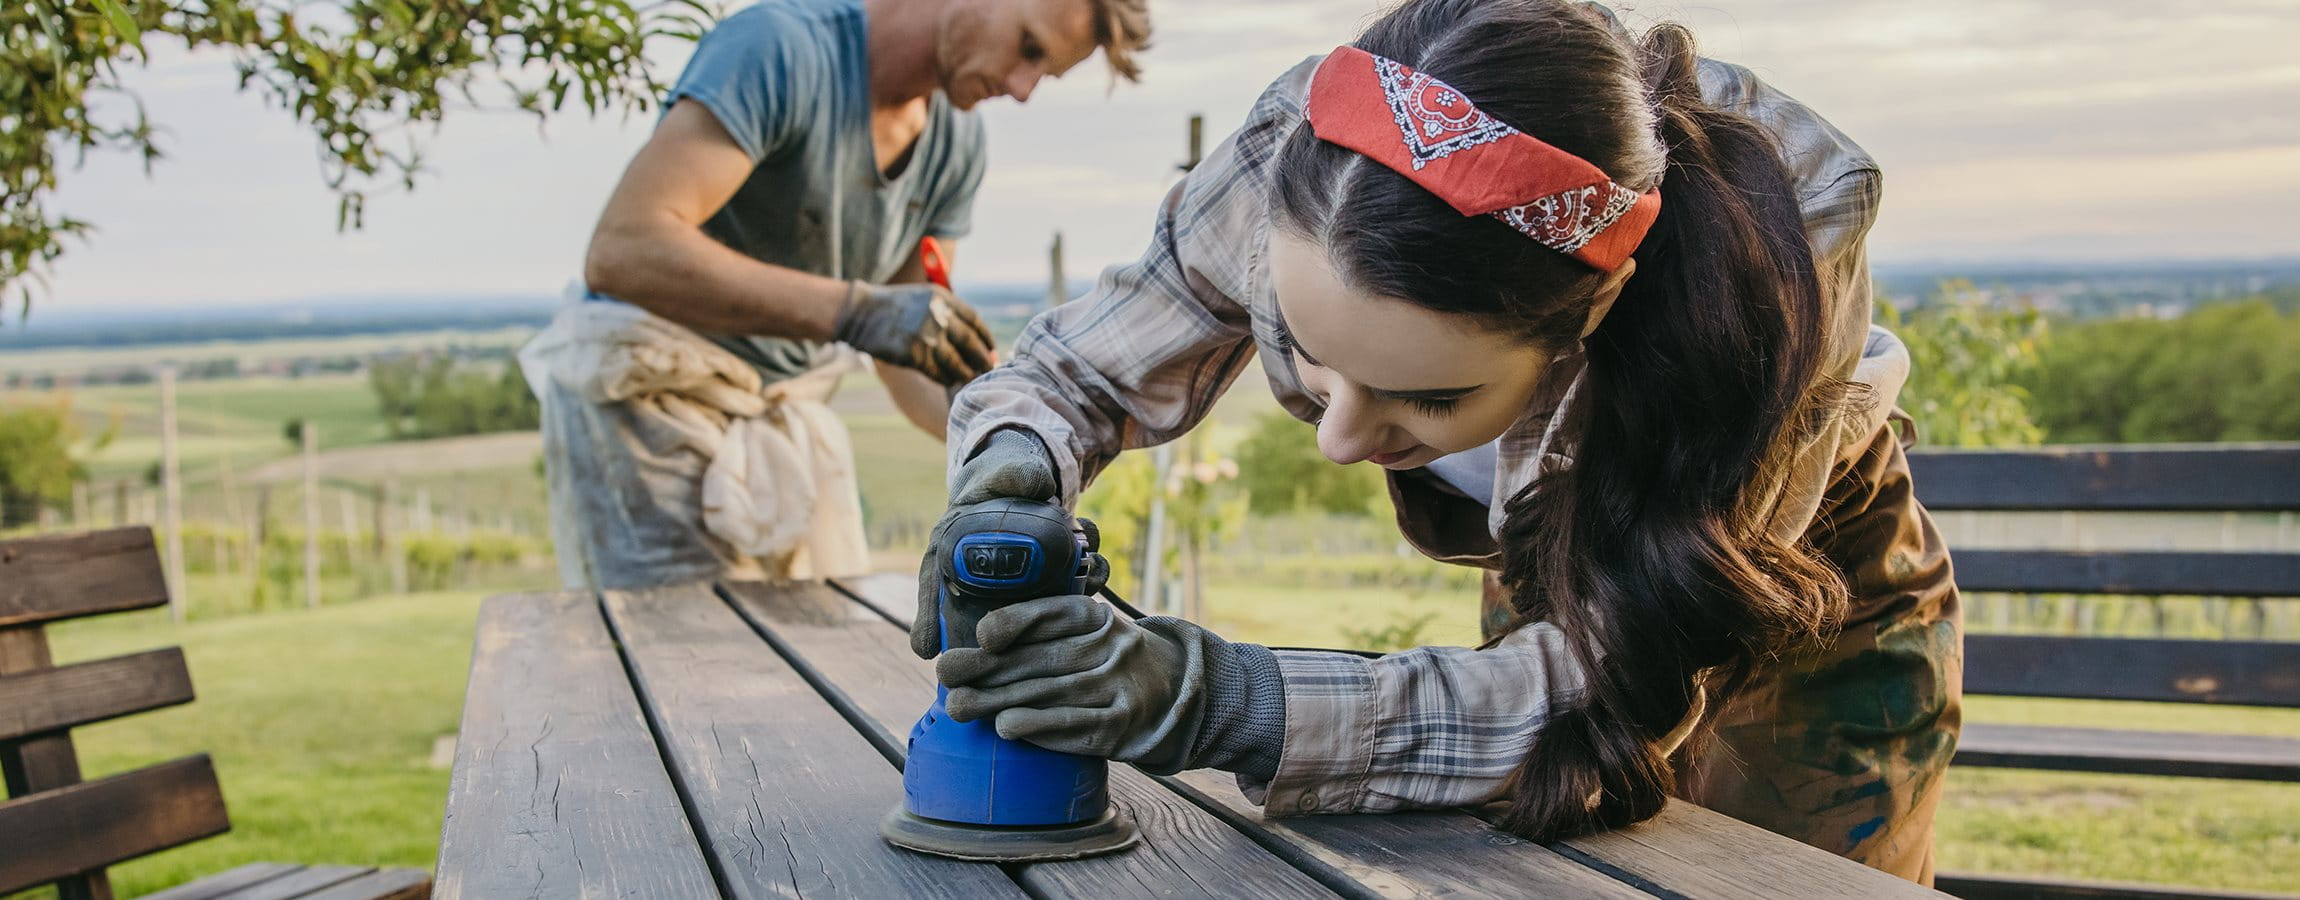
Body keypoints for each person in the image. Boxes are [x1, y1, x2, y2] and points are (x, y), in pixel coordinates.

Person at [917, 0, 1960, 884]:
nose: (1336, 439)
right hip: (1556, 559)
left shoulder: (1777, 256)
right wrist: (1008, 472)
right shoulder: (1314, 157)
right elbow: (1080, 371)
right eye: (1313, 363)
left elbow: (1602, 688)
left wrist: (1229, 703)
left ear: (1591, 311)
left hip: (1776, 588)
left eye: (1422, 395)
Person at [524, 0, 1154, 588]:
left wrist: (1005, 438)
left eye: (1045, 76)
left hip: (780, 412)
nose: (1021, 90)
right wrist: (854, 312)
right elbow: (624, 249)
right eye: (1028, 49)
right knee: (693, 665)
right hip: (648, 404)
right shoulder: (781, 52)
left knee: (816, 650)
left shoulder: (955, 145)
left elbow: (910, 351)